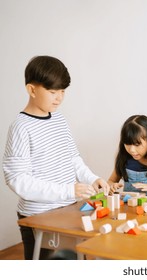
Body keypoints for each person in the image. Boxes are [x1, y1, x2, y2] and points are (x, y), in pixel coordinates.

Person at [2, 55, 109, 259]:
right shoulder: (21, 127)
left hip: (67, 210)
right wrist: (67, 190)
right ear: (31, 90)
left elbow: (73, 159)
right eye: (52, 92)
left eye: (62, 91)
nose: (59, 97)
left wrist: (92, 178)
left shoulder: (59, 119)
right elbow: (18, 181)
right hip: (38, 216)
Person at [108, 115, 147, 197]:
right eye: (127, 144)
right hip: (128, 207)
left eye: (137, 144)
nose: (132, 150)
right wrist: (111, 186)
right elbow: (111, 181)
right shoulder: (124, 157)